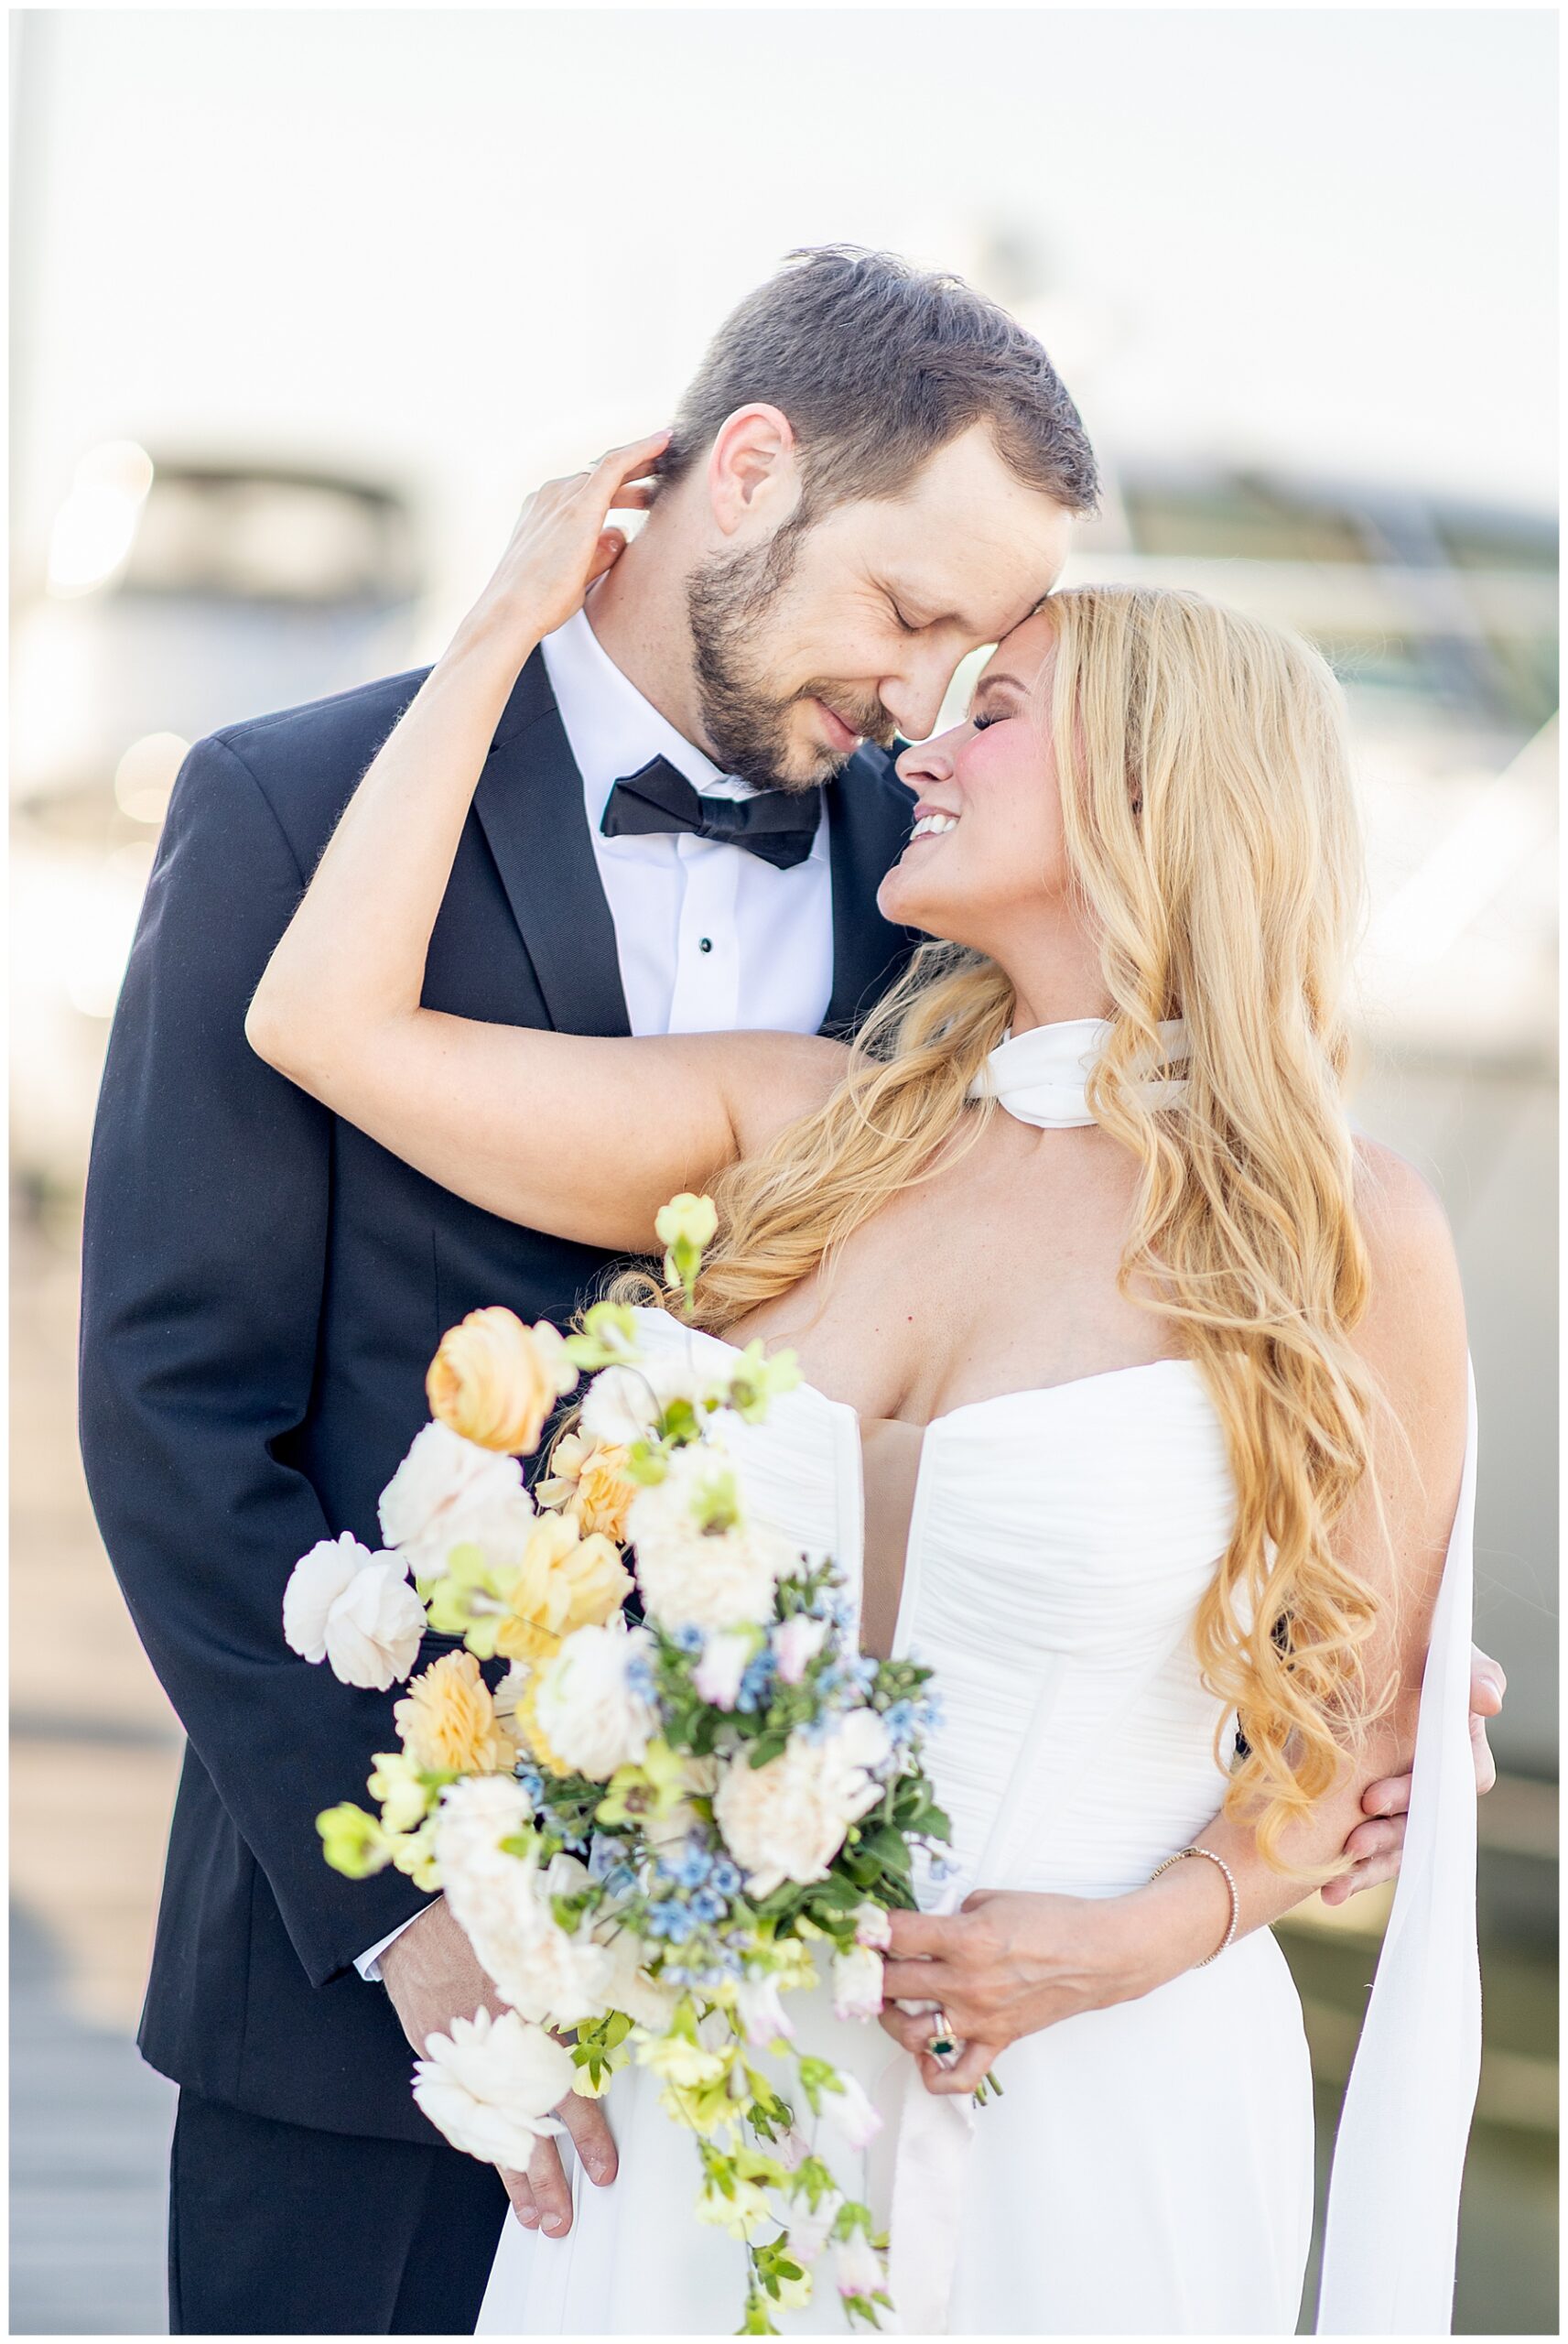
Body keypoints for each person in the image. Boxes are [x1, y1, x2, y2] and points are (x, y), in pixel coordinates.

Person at [80, 247, 1499, 2338]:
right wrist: (408, 1915)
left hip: (907, 2066)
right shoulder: (299, 804)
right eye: (917, 619)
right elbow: (174, 1409)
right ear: (742, 475)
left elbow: (1260, 1570)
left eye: (983, 669)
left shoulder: (923, 905)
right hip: (364, 1990)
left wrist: (1332, 1726)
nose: (925, 701)